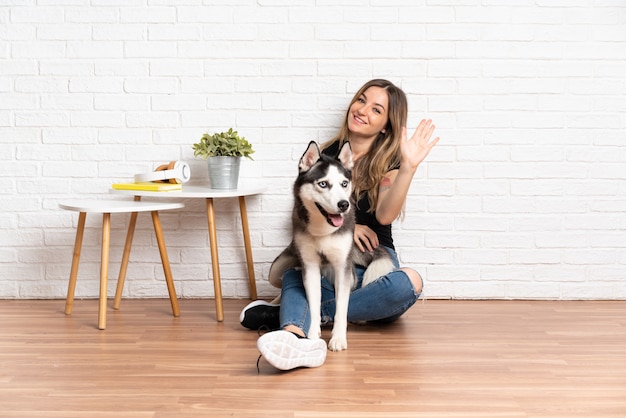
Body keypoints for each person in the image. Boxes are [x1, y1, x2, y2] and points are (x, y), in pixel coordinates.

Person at [240, 79, 440, 371]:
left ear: (386, 124)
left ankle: (304, 313)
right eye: (361, 100)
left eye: (376, 109)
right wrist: (346, 224)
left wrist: (408, 167)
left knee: (408, 283)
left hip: (372, 257)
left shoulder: (392, 160)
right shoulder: (325, 155)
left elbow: (384, 215)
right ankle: (295, 336)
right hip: (324, 254)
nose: (362, 110)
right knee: (298, 274)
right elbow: (304, 206)